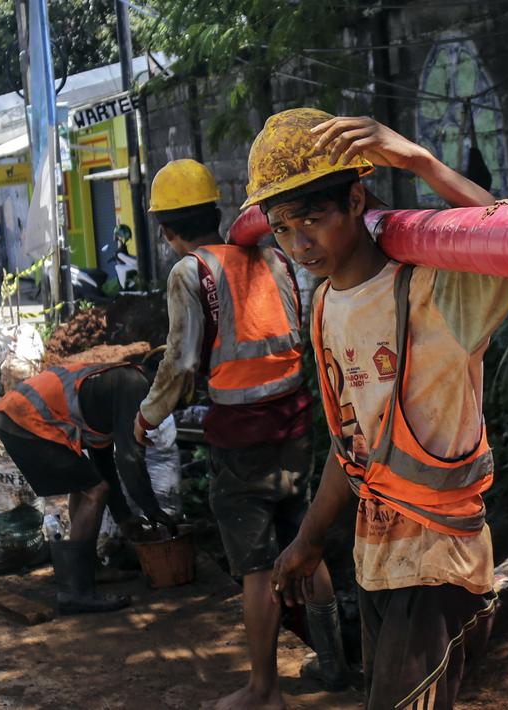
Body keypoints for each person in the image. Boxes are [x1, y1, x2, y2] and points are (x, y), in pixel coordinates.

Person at [251, 109, 508, 710]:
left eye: (312, 220)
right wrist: (309, 538)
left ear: (354, 199)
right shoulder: (323, 307)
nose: (299, 244)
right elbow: (352, 445)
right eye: (282, 228)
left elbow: (506, 232)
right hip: (376, 558)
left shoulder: (433, 291)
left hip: (438, 562)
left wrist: (420, 161)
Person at [135, 158, 352, 709]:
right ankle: (334, 667)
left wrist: (147, 417)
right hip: (295, 427)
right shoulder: (275, 256)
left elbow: (182, 364)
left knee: (256, 567)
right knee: (305, 545)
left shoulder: (191, 272)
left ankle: (263, 691)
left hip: (240, 440)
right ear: (214, 209)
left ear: (166, 230)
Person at [0, 362, 173, 614]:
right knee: (95, 491)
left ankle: (89, 569)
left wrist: (124, 519)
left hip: (16, 415)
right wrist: (153, 510)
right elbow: (129, 458)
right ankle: (75, 592)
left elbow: (104, 463)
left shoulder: (114, 388)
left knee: (86, 485)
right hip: (24, 419)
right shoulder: (136, 387)